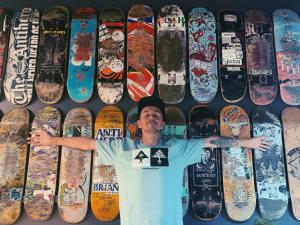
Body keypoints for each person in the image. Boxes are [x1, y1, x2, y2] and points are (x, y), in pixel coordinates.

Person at [27, 96, 271, 225]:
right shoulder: (121, 148)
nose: (152, 116)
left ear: (162, 123)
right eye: (147, 114)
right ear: (139, 124)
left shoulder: (177, 149)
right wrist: (52, 141)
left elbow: (211, 142)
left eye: (156, 114)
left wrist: (248, 143)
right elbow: (89, 143)